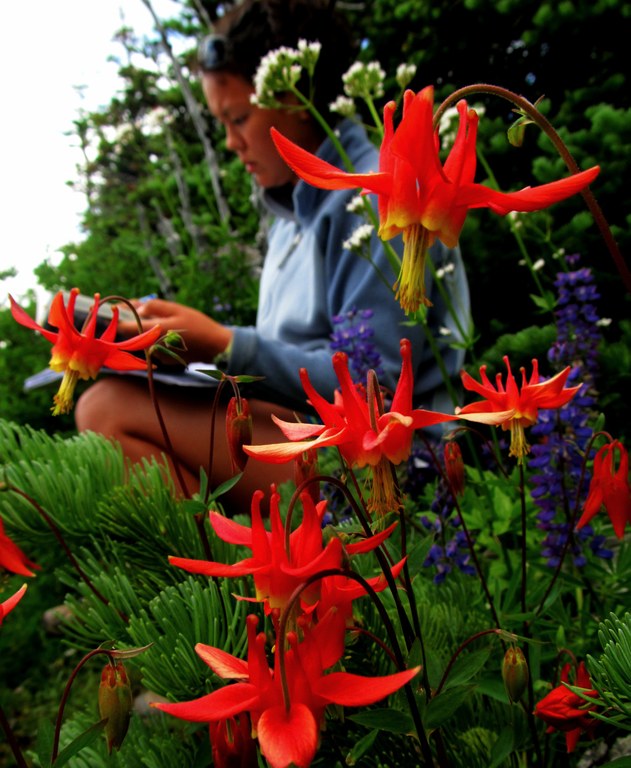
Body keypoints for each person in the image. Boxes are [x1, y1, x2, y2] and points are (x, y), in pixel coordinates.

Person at [75, 0, 470, 509]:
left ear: (295, 96)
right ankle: (245, 570)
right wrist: (197, 350)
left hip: (393, 456)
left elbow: (381, 385)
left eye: (237, 117)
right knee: (117, 401)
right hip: (311, 435)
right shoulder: (290, 213)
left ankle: (227, 578)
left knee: (108, 409)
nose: (231, 143)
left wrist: (224, 345)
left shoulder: (373, 194)